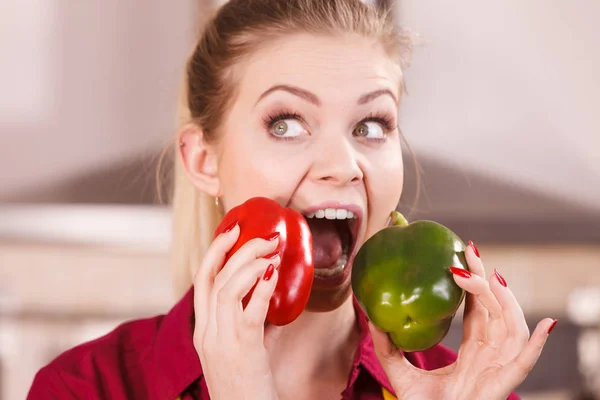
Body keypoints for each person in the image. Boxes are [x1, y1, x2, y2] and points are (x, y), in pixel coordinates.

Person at [27, 0, 557, 399]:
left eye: (370, 124)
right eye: (285, 124)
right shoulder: (85, 387)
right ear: (203, 161)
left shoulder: (460, 389)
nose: (343, 165)